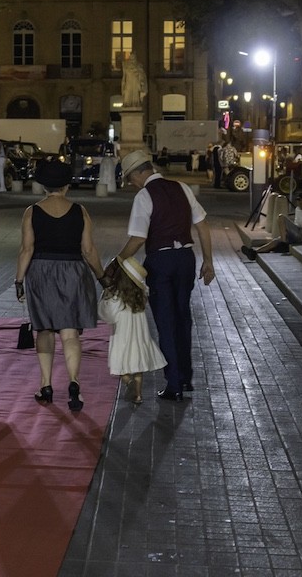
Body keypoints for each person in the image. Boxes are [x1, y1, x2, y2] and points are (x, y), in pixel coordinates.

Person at [110, 149, 215, 402]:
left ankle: (174, 383)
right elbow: (201, 224)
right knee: (183, 316)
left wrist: (117, 262)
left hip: (161, 260)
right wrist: (208, 261)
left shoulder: (145, 196)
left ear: (138, 173)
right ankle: (186, 376)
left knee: (166, 321)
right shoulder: (182, 187)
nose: (131, 183)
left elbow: (138, 238)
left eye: (129, 178)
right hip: (186, 260)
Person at [15, 159, 106, 412]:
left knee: (44, 330)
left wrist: (19, 280)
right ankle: (74, 383)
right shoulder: (80, 211)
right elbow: (88, 250)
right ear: (67, 185)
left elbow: (27, 249)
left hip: (41, 272)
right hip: (74, 271)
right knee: (70, 333)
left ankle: (45, 385)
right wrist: (101, 276)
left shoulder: (32, 211)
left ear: (43, 185)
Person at [101, 256, 166, 405]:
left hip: (122, 337)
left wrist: (105, 298)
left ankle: (128, 382)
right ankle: (138, 395)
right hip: (139, 338)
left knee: (122, 366)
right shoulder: (141, 295)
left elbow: (108, 315)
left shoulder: (117, 297)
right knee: (138, 368)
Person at [240, 191, 302, 259]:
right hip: (296, 233)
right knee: (275, 241)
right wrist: (287, 232)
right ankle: (254, 252)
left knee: (281, 217)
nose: (300, 202)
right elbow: (295, 224)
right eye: (298, 200)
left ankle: (283, 243)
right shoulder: (298, 209)